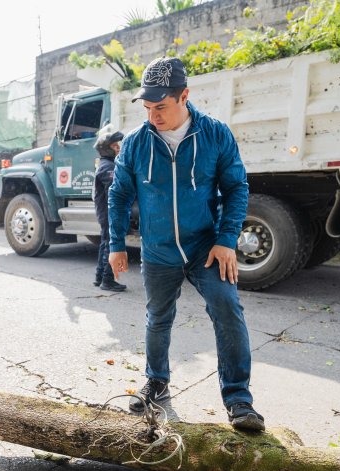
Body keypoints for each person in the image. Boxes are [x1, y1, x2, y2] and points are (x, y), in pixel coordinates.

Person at [107, 57, 264, 431]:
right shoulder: (135, 143)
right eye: (147, 108)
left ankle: (239, 400)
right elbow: (118, 194)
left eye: (161, 107)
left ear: (184, 96)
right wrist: (115, 243)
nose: (153, 116)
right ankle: (156, 381)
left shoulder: (215, 134)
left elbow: (237, 188)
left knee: (227, 307)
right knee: (158, 318)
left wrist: (227, 240)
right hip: (159, 250)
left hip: (205, 248)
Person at [93, 125, 126, 292]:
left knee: (105, 242)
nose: (118, 147)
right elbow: (116, 191)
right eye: (114, 145)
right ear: (106, 149)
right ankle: (107, 279)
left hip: (105, 213)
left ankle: (99, 276)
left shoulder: (107, 164)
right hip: (108, 213)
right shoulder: (108, 167)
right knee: (110, 244)